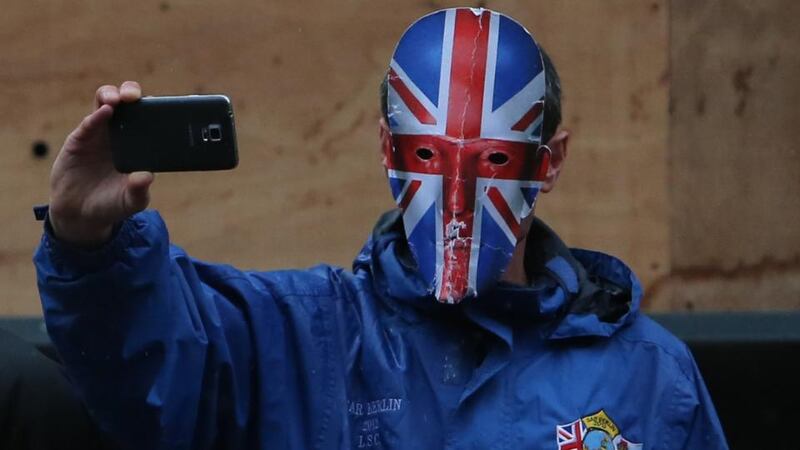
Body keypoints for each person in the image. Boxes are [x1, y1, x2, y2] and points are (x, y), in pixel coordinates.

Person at [34, 7, 728, 450]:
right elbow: (151, 372)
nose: (458, 198)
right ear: (385, 150)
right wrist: (90, 245)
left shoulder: (649, 376)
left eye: (492, 160)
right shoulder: (301, 342)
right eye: (427, 155)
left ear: (549, 163)